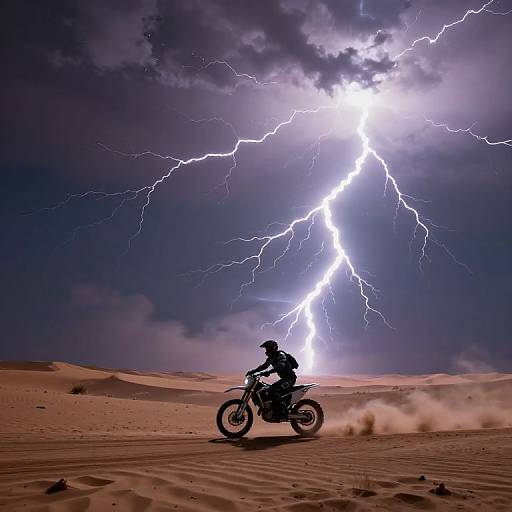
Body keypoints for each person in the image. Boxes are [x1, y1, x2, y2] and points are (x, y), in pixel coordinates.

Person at [247, 340, 297, 419]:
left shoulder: (281, 355)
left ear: (273, 348)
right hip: (284, 379)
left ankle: (281, 411)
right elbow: (263, 366)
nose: (266, 351)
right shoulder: (271, 358)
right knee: (267, 389)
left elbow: (280, 366)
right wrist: (253, 372)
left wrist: (269, 372)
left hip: (289, 379)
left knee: (273, 389)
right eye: (266, 349)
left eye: (268, 348)